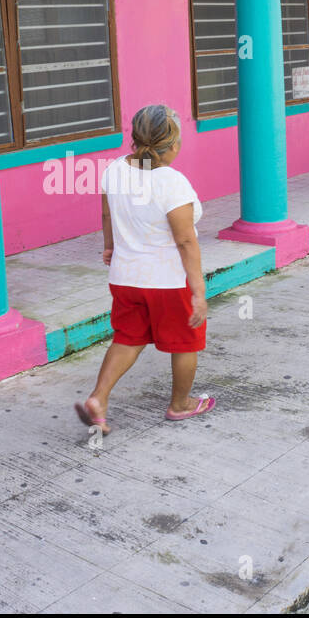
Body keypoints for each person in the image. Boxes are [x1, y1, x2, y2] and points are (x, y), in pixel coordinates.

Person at [75, 104, 212, 435]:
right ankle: (180, 405)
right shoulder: (171, 182)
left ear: (134, 136)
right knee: (185, 342)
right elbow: (185, 242)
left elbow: (107, 215)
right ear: (174, 143)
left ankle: (98, 399)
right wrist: (198, 291)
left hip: (125, 278)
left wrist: (110, 246)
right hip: (167, 282)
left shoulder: (113, 170)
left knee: (128, 337)